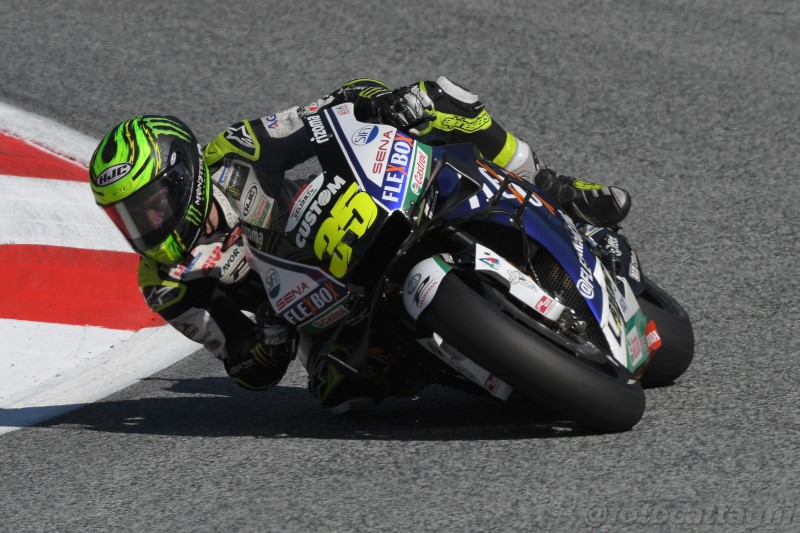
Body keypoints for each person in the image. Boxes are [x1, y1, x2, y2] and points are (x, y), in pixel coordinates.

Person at [88, 76, 631, 412]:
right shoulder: (165, 284)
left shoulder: (236, 148)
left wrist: (378, 103)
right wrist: (270, 340)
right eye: (127, 217)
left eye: (150, 204)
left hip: (343, 223)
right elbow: (244, 366)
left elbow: (319, 117)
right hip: (314, 319)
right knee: (343, 396)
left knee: (439, 99)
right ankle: (488, 366)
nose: (144, 224)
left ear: (183, 175)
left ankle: (551, 185)